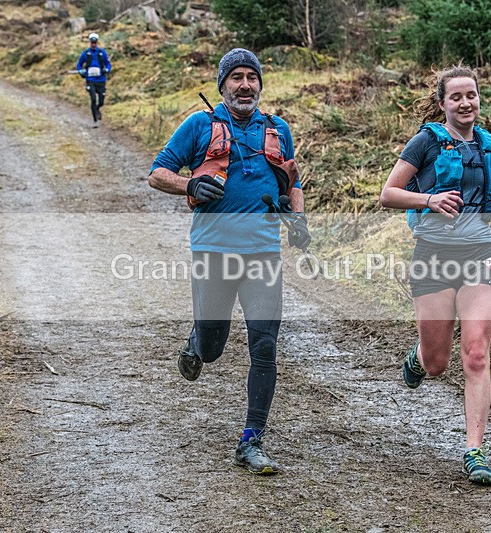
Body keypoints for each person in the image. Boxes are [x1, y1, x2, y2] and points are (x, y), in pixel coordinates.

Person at [379, 65, 491, 486]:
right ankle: (419, 358)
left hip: (480, 255)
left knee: (476, 354)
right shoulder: (425, 141)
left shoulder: (490, 143)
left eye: (471, 95)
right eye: (456, 96)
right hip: (433, 257)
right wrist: (429, 198)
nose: (466, 103)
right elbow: (388, 193)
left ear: (479, 99)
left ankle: (474, 451)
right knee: (439, 362)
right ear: (442, 103)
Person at [148, 48, 310, 475]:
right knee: (214, 347)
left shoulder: (278, 129)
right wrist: (191, 184)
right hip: (213, 252)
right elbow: (157, 172)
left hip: (263, 254)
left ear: (259, 84)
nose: (244, 85)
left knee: (265, 345)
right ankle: (197, 343)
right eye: (235, 77)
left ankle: (251, 439)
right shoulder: (200, 125)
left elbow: (291, 182)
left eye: (251, 77)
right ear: (222, 86)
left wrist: (298, 219)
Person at [76, 33, 111, 127]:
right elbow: (79, 64)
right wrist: (80, 71)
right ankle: (95, 120)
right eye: (92, 43)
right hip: (90, 80)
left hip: (101, 80)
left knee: (101, 101)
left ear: (97, 43)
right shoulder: (85, 53)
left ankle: (97, 109)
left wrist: (107, 70)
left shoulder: (102, 52)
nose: (93, 45)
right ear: (90, 43)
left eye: (95, 43)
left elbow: (108, 64)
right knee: (93, 99)